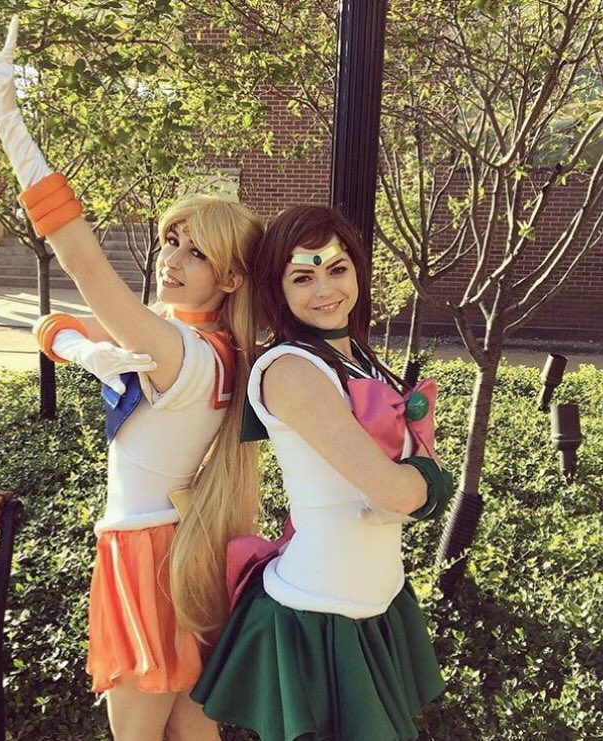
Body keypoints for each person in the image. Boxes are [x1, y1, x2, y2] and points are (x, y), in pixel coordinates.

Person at [0, 18, 263, 741]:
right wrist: (79, 347)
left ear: (231, 277)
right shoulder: (209, 346)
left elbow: (81, 259)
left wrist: (9, 119)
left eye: (196, 253)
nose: (172, 259)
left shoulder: (177, 347)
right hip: (185, 546)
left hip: (145, 553)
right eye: (172, 241)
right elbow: (52, 323)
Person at [191, 205, 451, 741]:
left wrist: (417, 476)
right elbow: (396, 491)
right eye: (303, 277)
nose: (326, 289)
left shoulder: (357, 357)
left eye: (337, 269)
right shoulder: (291, 369)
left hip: (374, 601)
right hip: (317, 615)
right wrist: (432, 477)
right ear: (278, 289)